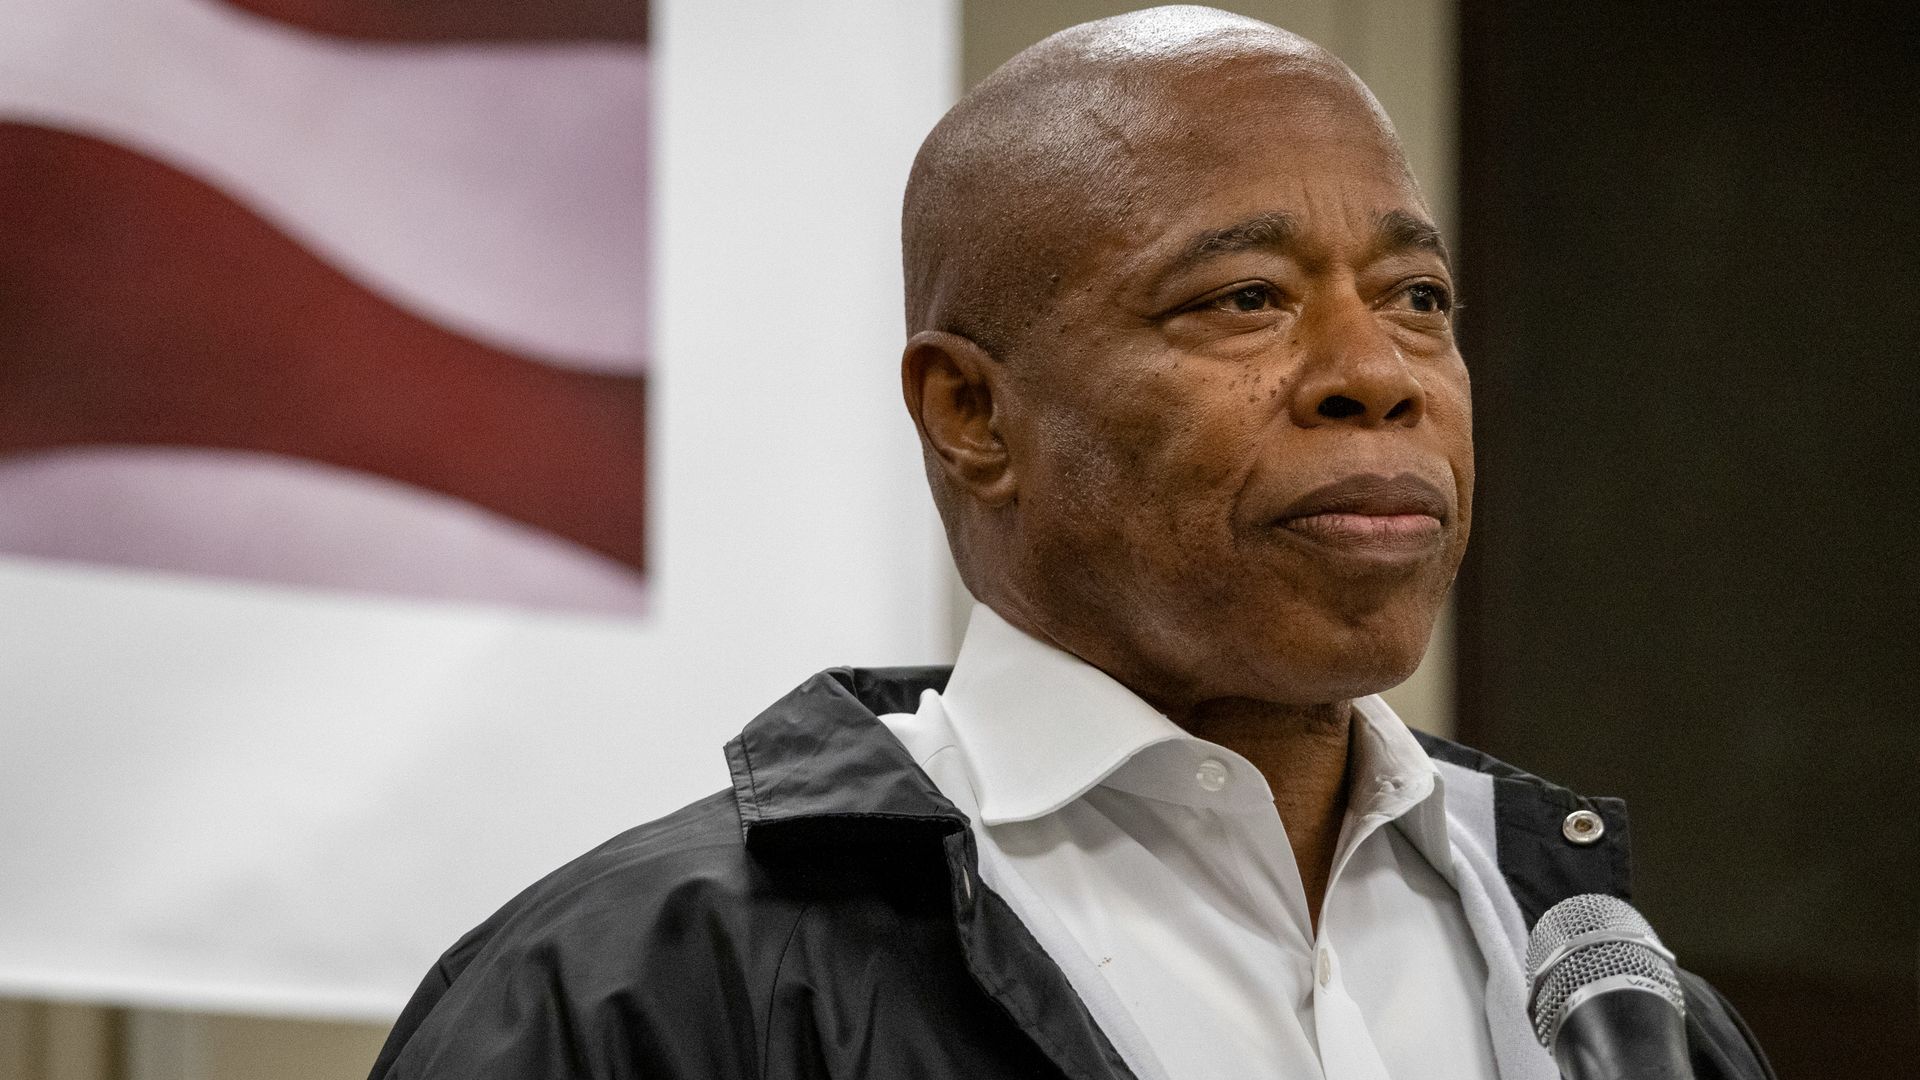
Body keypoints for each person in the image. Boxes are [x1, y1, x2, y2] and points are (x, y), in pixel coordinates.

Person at [369, 8, 1772, 1079]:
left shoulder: (1611, 998)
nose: (1377, 371)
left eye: (1418, 294)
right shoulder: (638, 996)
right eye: (1241, 298)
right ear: (973, 412)